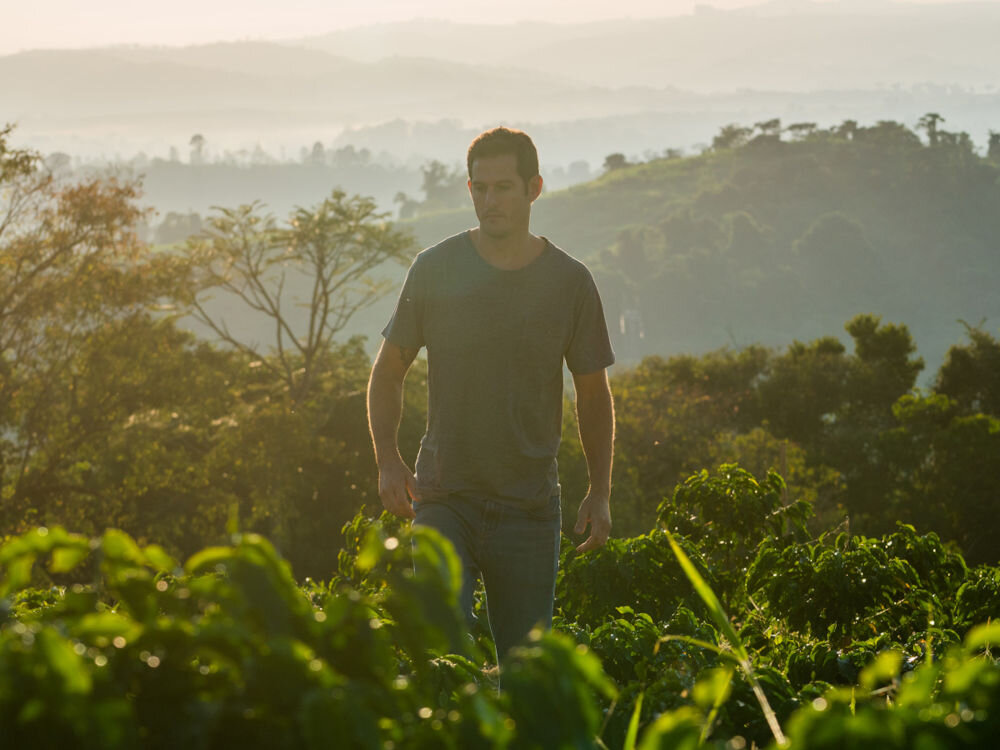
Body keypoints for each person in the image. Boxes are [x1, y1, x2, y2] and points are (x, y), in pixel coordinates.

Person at [366, 126, 615, 666]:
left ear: (534, 188)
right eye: (479, 188)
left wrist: (600, 491)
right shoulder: (435, 268)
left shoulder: (570, 282)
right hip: (443, 496)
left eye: (503, 187)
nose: (489, 200)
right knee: (445, 655)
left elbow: (594, 396)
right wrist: (387, 459)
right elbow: (388, 372)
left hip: (529, 508)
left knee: (526, 676)